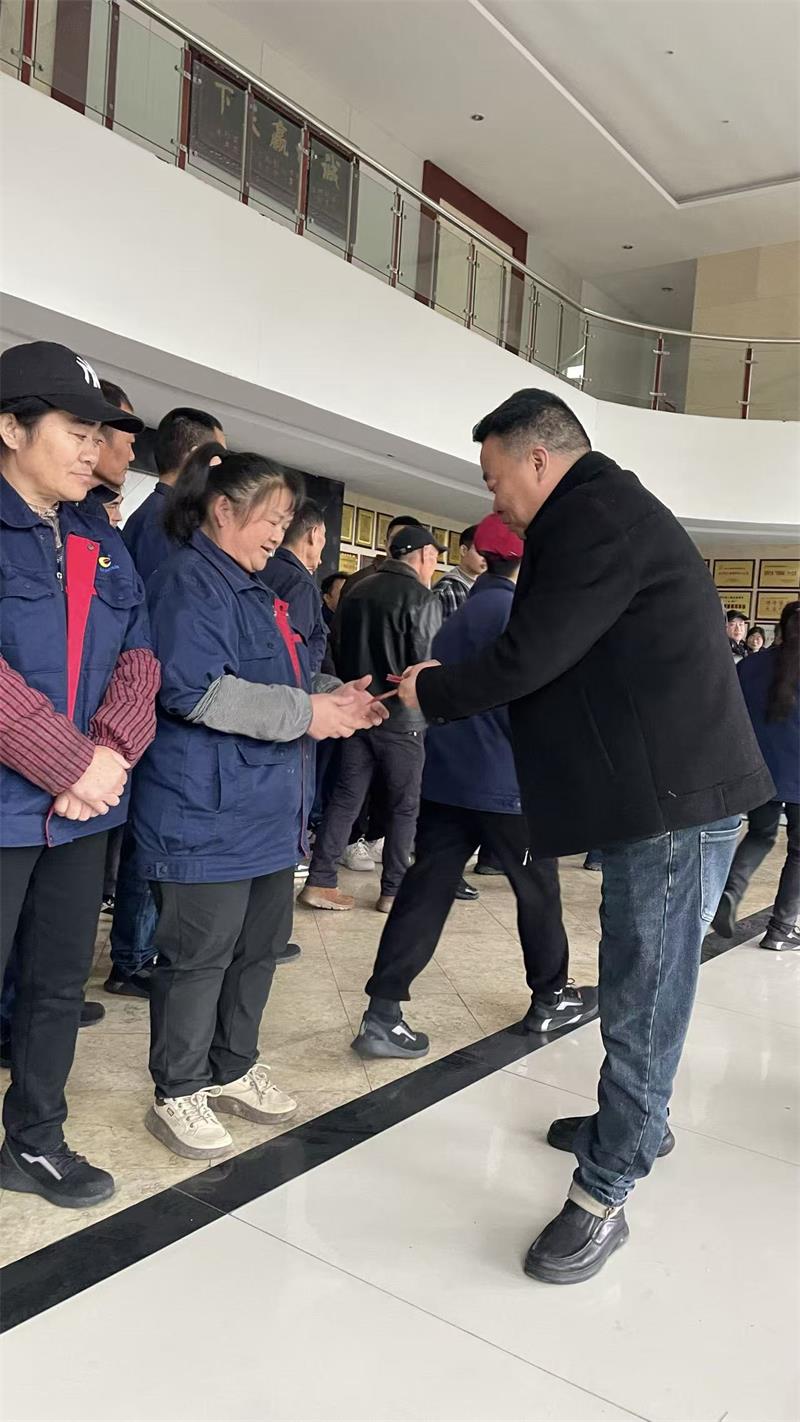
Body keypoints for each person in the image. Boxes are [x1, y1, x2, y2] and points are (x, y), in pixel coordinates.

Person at [396, 387, 772, 1285]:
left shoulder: (593, 520)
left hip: (671, 806)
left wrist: (431, 689)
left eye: (495, 477)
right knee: (649, 978)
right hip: (668, 797)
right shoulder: (605, 511)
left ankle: (607, 1188)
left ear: (538, 458)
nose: (493, 497)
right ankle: (632, 1124)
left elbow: (531, 656)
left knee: (644, 990)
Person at [131, 443, 387, 1159]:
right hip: (204, 810)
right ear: (222, 509)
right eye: (271, 517)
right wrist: (309, 713)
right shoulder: (188, 582)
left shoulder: (257, 588)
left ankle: (232, 1067)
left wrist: (334, 697)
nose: (281, 532)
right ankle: (178, 1090)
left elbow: (284, 681)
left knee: (257, 950)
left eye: (285, 520)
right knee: (199, 956)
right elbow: (195, 691)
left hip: (267, 809)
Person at [0, 340, 160, 1209]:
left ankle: (34, 1141)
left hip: (82, 812)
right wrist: (71, 761)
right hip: (9, 805)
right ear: (11, 427)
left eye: (100, 434)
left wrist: (111, 754)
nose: (92, 449)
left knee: (58, 984)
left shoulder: (100, 537)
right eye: (75, 430)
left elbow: (141, 655)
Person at [353, 513, 595, 1059]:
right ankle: (551, 997)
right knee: (538, 892)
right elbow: (531, 701)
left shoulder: (456, 614)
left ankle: (382, 1014)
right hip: (508, 780)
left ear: (481, 556)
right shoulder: (519, 614)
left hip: (448, 776)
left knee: (426, 889)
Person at [103, 406, 227, 998]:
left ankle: (137, 949)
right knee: (149, 837)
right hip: (149, 702)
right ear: (200, 457)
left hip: (148, 699)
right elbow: (155, 630)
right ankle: (132, 957)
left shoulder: (158, 518)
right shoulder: (161, 524)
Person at [299, 525, 443, 915]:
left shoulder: (356, 590)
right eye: (433, 556)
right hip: (403, 718)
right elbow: (426, 664)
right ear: (424, 555)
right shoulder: (421, 596)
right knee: (403, 807)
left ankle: (320, 880)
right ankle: (393, 891)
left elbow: (334, 648)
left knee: (345, 798)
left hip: (357, 710)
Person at [713, 599, 799, 951]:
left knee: (760, 834)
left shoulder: (752, 665)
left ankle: (731, 891)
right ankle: (781, 930)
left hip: (759, 769)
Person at [123, 406, 225, 585]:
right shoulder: (163, 522)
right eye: (218, 456)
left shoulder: (166, 516)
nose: (222, 467)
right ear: (195, 456)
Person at [259, 498, 329, 674]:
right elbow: (293, 655)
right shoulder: (301, 585)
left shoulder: (260, 568)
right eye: (324, 536)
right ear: (314, 534)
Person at [434, 525, 486, 620]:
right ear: (464, 550)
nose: (486, 558)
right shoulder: (444, 590)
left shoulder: (489, 588)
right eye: (481, 551)